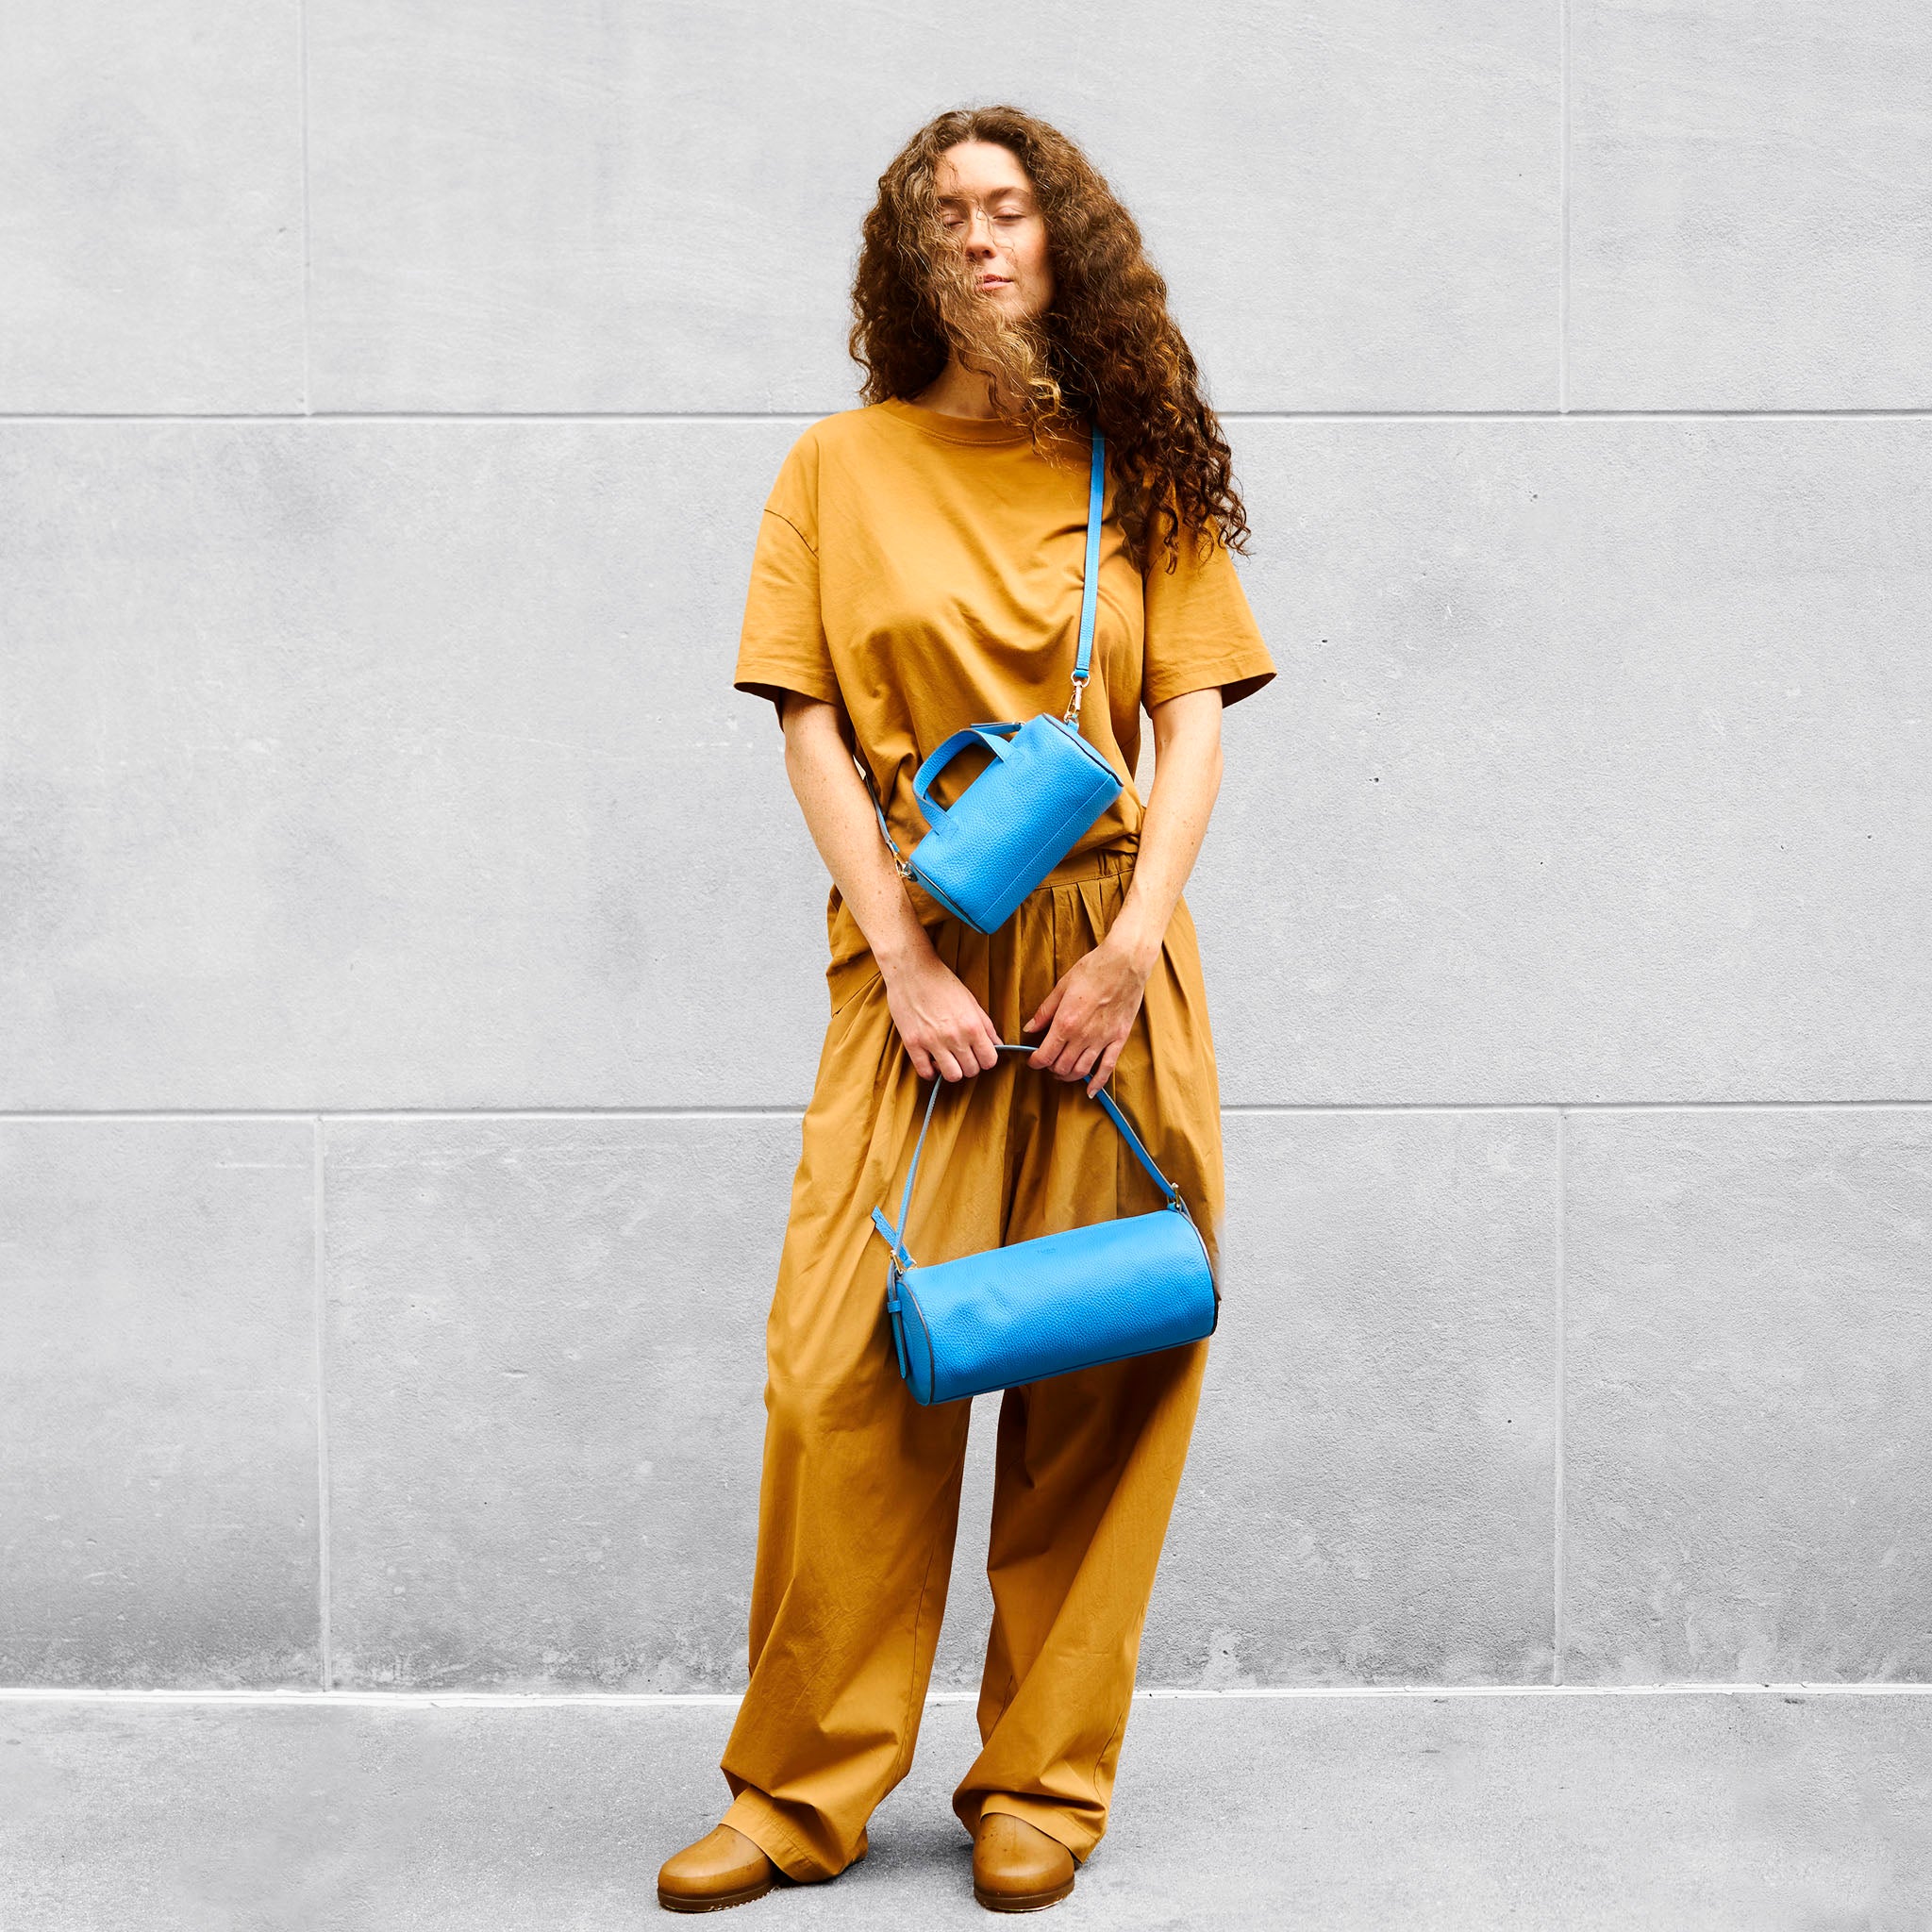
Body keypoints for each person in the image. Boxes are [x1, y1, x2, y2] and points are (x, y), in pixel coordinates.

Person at [658, 104, 1275, 1916]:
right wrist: (909, 961)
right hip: (914, 957)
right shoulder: (834, 468)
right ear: (907, 256)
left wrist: (1132, 948)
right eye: (948, 213)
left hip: (1105, 962)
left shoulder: (1131, 460)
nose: (983, 236)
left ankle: (1045, 1788)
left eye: (1013, 208)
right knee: (840, 1376)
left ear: (1062, 238)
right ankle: (798, 1793)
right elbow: (807, 724)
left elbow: (1194, 717)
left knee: (1103, 1367)